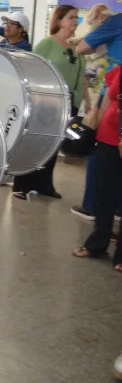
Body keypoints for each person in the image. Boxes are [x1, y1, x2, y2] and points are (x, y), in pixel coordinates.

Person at [13, 5, 83, 200]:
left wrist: (79, 102)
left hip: (68, 101)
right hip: (46, 100)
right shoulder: (47, 44)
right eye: (71, 17)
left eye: (77, 18)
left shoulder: (76, 47)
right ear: (59, 20)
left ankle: (44, 185)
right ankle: (22, 185)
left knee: (54, 145)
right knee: (36, 142)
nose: (75, 21)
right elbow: (32, 71)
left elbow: (80, 77)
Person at [71, 64, 122, 274]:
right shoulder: (118, 70)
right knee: (104, 197)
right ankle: (97, 243)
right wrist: (92, 129)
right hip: (107, 140)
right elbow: (107, 102)